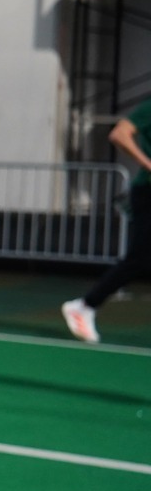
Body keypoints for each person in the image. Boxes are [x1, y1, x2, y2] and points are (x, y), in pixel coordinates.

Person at [62, 95, 151, 343]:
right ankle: (85, 305)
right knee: (139, 259)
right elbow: (119, 134)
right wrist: (149, 164)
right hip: (148, 192)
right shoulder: (149, 108)